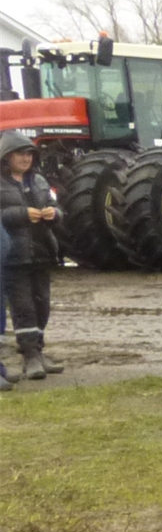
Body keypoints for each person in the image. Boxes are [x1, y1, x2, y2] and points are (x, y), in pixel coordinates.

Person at [0, 130, 65, 380]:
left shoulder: (38, 181)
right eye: (20, 154)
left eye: (29, 154)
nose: (26, 159)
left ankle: (39, 352)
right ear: (7, 156)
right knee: (23, 308)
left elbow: (59, 209)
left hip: (41, 252)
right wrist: (21, 214)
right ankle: (29, 357)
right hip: (14, 256)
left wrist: (54, 214)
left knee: (42, 306)